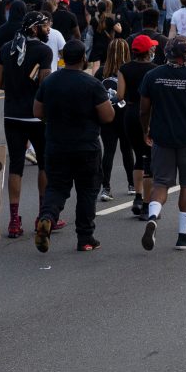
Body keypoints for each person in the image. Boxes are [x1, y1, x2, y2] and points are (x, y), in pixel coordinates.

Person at [32, 40, 115, 253]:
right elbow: (107, 116)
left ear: (63, 57)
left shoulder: (49, 82)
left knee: (57, 187)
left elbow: (37, 112)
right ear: (83, 59)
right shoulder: (91, 84)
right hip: (86, 146)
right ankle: (85, 238)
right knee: (87, 191)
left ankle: (47, 217)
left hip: (56, 144)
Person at [138, 36, 186, 251]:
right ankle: (183, 234)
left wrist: (146, 129)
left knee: (161, 184)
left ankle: (152, 217)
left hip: (162, 136)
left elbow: (144, 109)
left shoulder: (152, 76)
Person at [0, 11, 53, 238]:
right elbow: (45, 86)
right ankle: (42, 216)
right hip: (36, 116)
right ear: (35, 28)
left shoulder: (6, 48)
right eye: (45, 26)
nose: (48, 30)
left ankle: (13, 220)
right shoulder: (43, 51)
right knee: (43, 164)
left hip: (11, 115)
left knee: (16, 165)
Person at [119, 35, 159, 219]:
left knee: (138, 155)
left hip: (130, 112)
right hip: (148, 114)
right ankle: (146, 204)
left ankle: (137, 196)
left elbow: (120, 95)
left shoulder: (124, 68)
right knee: (149, 158)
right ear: (148, 51)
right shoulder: (154, 70)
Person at [96, 38, 133, 202]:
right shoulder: (129, 70)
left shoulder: (101, 72)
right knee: (127, 150)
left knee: (109, 151)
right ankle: (132, 184)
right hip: (126, 116)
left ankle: (106, 187)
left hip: (107, 115)